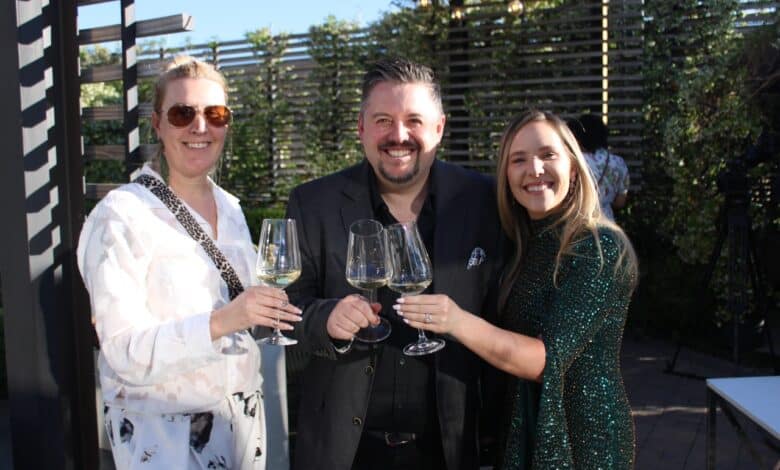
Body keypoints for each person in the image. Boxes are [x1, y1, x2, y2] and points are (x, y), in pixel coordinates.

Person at [77, 56, 301, 470]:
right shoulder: (121, 216)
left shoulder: (230, 209)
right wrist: (222, 321)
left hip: (244, 425)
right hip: (163, 437)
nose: (201, 127)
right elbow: (123, 350)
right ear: (158, 125)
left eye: (215, 114)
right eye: (183, 114)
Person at [284, 57, 505, 470]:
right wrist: (325, 319)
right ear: (361, 128)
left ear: (439, 127)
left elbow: (505, 312)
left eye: (414, 120)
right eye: (383, 120)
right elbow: (284, 312)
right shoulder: (313, 204)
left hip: (450, 449)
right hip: (342, 452)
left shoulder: (484, 202)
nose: (398, 135)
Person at [397, 110, 639, 468]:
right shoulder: (519, 244)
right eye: (519, 160)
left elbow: (545, 361)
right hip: (521, 428)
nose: (534, 170)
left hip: (581, 440)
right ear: (506, 175)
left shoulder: (598, 248)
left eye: (547, 155)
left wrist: (455, 321)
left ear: (573, 166)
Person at [568, 114, 630, 221]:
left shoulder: (572, 162)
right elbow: (620, 202)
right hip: (607, 222)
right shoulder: (618, 162)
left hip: (577, 221)